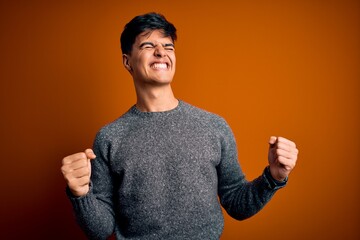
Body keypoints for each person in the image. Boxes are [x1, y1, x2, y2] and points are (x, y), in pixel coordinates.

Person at [61, 12, 299, 240]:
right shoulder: (109, 138)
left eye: (168, 47)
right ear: (128, 61)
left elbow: (237, 204)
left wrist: (274, 178)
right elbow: (100, 230)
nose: (161, 53)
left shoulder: (213, 126)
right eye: (147, 46)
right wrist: (80, 194)